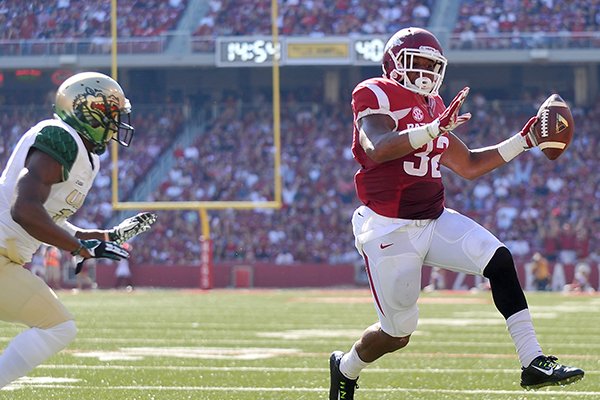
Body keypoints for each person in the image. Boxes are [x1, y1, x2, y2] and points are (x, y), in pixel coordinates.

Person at [329, 27, 584, 399]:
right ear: (393, 64)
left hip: (434, 219)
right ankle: (346, 367)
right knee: (397, 334)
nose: (426, 74)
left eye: (433, 66)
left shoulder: (434, 105)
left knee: (498, 259)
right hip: (388, 228)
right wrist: (432, 129)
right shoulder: (374, 92)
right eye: (417, 63)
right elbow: (378, 147)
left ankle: (533, 361)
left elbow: (468, 164)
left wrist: (524, 140)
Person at [0, 71, 157, 389]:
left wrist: (100, 237)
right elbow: (24, 208)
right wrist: (77, 247)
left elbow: (47, 216)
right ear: (89, 112)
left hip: (6, 259)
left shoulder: (83, 155)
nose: (117, 124)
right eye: (112, 115)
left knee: (58, 326)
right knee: (57, 327)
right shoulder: (60, 137)